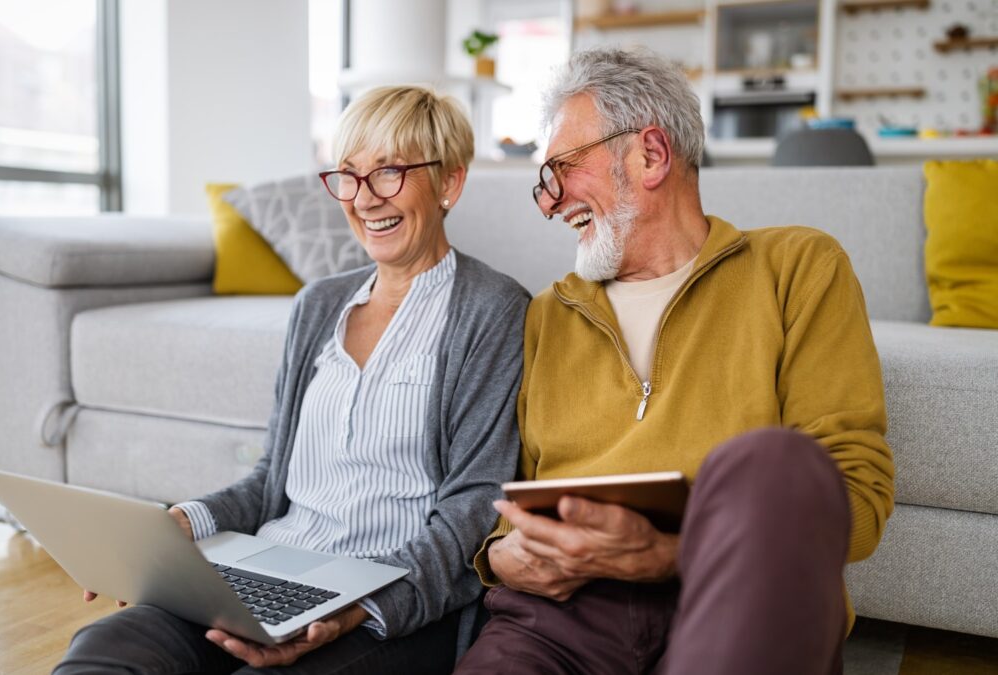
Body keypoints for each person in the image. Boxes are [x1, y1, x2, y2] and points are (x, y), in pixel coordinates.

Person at [55, 85, 530, 675]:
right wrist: (179, 525)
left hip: (392, 609)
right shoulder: (319, 304)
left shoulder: (494, 309)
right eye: (349, 176)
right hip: (268, 571)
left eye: (389, 173)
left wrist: (358, 608)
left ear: (449, 184)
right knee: (109, 650)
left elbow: (472, 514)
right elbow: (269, 482)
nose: (363, 198)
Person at [456, 48, 895, 675]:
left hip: (734, 595)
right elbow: (513, 500)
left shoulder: (797, 268)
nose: (550, 203)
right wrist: (503, 559)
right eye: (543, 183)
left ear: (651, 155)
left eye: (561, 171)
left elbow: (855, 501)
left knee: (775, 462)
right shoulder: (549, 314)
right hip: (563, 618)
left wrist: (670, 554)